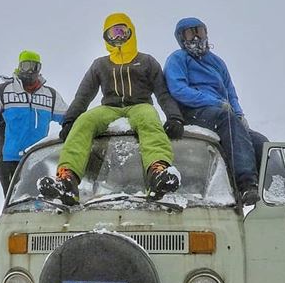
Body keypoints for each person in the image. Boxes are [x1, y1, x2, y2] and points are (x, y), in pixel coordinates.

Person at [164, 17, 285, 206]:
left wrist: (239, 114)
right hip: (194, 112)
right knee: (228, 121)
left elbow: (230, 92)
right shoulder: (178, 59)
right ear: (181, 38)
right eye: (191, 33)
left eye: (200, 31)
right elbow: (179, 90)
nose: (197, 37)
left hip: (224, 113)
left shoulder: (217, 63)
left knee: (260, 141)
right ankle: (247, 183)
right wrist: (216, 102)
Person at [38, 13, 185, 206]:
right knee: (85, 121)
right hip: (110, 108)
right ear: (106, 38)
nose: (118, 37)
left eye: (121, 31)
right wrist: (70, 121)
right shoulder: (101, 64)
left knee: (149, 118)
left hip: (139, 105)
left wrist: (175, 117)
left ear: (130, 32)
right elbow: (83, 95)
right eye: (112, 34)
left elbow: (163, 93)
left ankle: (157, 171)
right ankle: (67, 179)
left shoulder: (147, 61)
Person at [0, 50, 68, 195]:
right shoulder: (3, 92)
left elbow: (69, 119)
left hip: (37, 158)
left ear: (40, 69)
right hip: (9, 160)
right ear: (19, 67)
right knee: (16, 201)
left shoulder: (50, 95)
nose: (30, 70)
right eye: (26, 66)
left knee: (41, 200)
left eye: (34, 67)